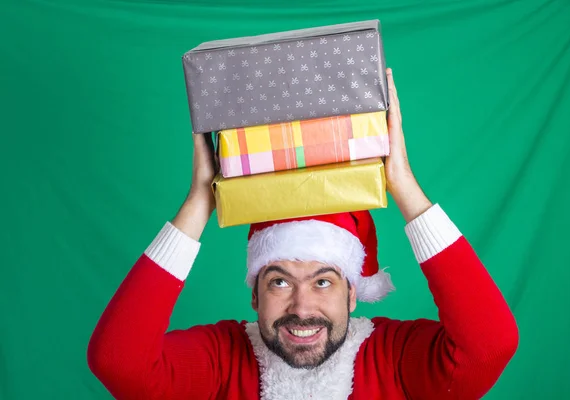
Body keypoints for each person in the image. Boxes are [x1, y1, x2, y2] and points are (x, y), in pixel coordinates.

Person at [87, 68, 519, 399]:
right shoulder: (221, 358)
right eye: (279, 281)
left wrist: (402, 184)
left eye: (324, 281)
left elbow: (489, 346)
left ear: (352, 292)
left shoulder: (394, 357)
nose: (302, 307)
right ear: (254, 294)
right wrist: (201, 199)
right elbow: (118, 363)